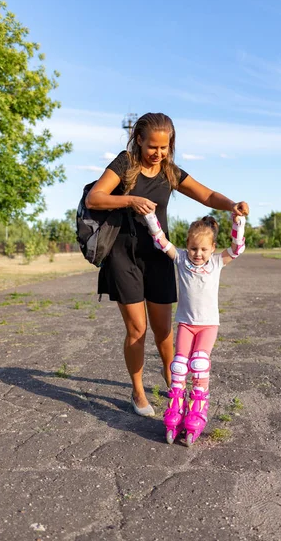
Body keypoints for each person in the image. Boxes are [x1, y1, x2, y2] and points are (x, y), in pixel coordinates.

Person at [85, 113, 249, 416]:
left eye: (165, 147)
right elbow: (96, 198)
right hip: (123, 257)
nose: (159, 153)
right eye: (153, 147)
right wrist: (131, 200)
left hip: (159, 256)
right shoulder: (125, 163)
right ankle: (137, 392)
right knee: (137, 329)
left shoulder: (169, 171)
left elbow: (206, 194)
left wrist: (231, 205)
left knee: (163, 330)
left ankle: (170, 376)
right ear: (139, 140)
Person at [143, 211, 246, 445]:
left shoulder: (217, 262)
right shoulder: (181, 259)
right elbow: (161, 241)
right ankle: (175, 412)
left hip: (208, 325)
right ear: (187, 246)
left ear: (212, 248)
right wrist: (150, 218)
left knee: (199, 364)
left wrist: (238, 224)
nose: (198, 254)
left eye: (203, 250)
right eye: (193, 249)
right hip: (186, 325)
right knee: (179, 366)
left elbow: (237, 249)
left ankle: (197, 412)